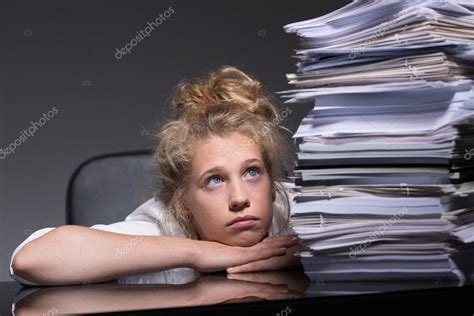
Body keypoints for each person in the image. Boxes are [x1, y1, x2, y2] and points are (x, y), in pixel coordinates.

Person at [10, 66, 301, 286]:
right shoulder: (162, 227)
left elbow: (348, 226)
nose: (239, 198)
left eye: (252, 172)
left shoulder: (292, 212)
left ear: (273, 186)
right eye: (214, 179)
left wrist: (306, 256)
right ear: (183, 200)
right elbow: (31, 258)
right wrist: (196, 254)